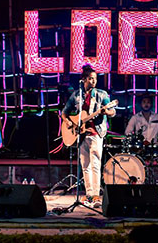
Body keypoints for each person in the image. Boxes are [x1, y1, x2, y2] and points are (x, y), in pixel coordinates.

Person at [61, 64, 116, 208]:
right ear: (84, 79)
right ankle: (89, 194)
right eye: (91, 79)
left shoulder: (102, 94)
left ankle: (96, 196)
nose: (93, 81)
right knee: (85, 166)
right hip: (81, 135)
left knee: (96, 164)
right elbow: (64, 113)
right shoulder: (76, 95)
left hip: (96, 133)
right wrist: (69, 123)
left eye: (95, 79)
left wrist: (106, 112)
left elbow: (112, 111)